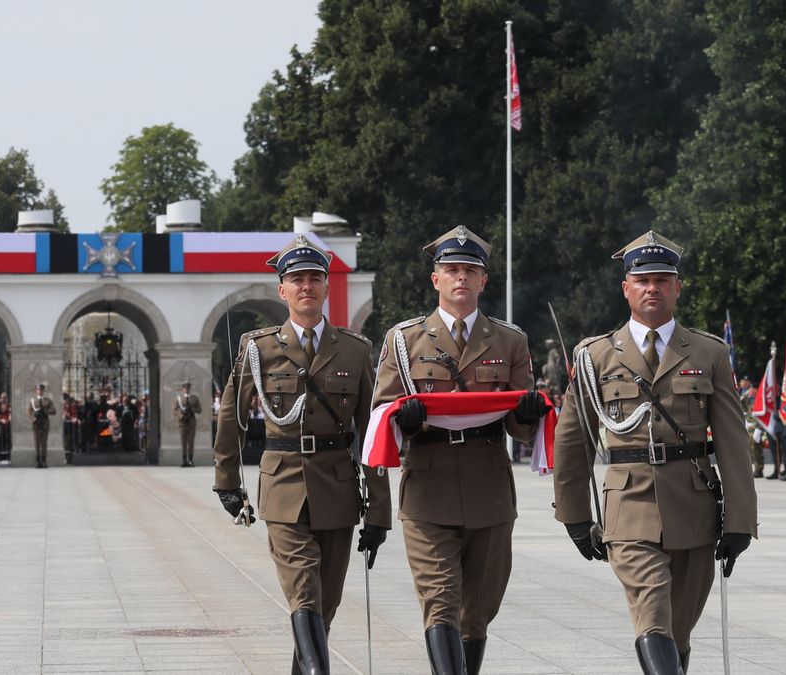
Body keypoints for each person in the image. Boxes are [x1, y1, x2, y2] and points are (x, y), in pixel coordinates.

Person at [553, 231, 757, 674]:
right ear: (625, 287)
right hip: (629, 505)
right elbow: (573, 441)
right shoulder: (596, 356)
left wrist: (740, 520)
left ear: (677, 287)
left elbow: (733, 442)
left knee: (677, 630)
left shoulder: (708, 352)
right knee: (652, 616)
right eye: (642, 279)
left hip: (694, 504)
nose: (652, 288)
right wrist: (574, 514)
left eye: (663, 279)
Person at [213, 235, 391, 675]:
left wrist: (380, 511)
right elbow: (231, 418)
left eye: (314, 278)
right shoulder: (259, 348)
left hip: (338, 487)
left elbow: (372, 434)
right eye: (297, 279)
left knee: (323, 606)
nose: (306, 286)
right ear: (283, 290)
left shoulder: (353, 348)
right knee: (303, 593)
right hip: (284, 484)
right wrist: (227, 483)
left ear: (327, 287)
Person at [372, 226, 543, 675]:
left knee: (478, 609)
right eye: (452, 270)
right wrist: (402, 420)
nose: (461, 278)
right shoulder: (404, 341)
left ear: (484, 281)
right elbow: (379, 415)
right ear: (435, 279)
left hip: (489, 488)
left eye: (470, 270)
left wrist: (527, 412)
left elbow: (521, 431)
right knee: (440, 600)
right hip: (428, 486)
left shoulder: (510, 341)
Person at [28, 383, 56, 468]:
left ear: (43, 391)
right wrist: (34, 419)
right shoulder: (32, 401)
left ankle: (44, 461)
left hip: (44, 423)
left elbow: (54, 411)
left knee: (44, 443)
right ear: (36, 391)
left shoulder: (47, 400)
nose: (39, 391)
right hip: (36, 424)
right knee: (37, 443)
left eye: (41, 390)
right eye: (38, 390)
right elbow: (28, 412)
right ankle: (38, 461)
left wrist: (45, 411)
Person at [176, 381, 202, 467]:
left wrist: (192, 409)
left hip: (191, 422)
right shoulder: (179, 398)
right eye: (185, 388)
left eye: (188, 388)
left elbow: (199, 410)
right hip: (182, 422)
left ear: (190, 389)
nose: (187, 390)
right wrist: (180, 415)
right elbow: (174, 409)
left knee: (191, 442)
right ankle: (184, 460)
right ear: (183, 389)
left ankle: (190, 460)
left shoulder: (194, 398)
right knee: (183, 442)